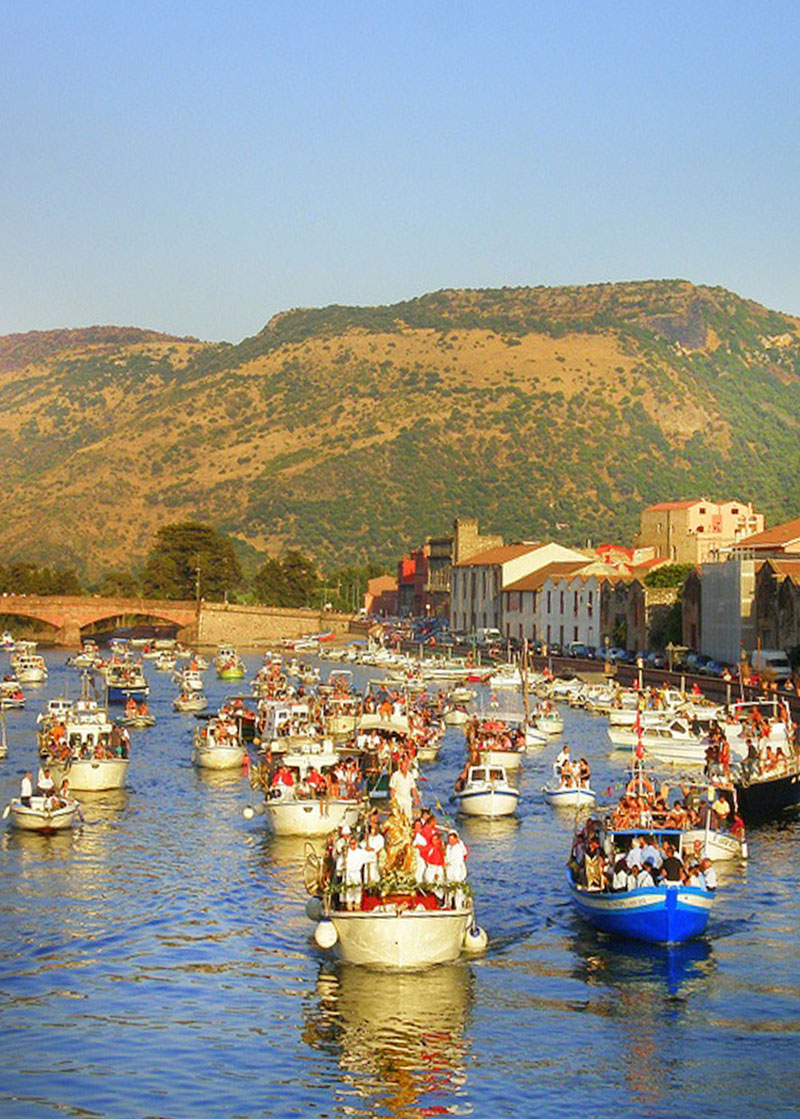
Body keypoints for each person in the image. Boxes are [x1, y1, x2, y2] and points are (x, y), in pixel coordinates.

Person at [388, 755, 418, 820]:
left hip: (407, 799)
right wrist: (393, 800)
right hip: (398, 799)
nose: (403, 768)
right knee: (398, 817)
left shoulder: (410, 776)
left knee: (408, 817)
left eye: (405, 766)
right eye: (402, 766)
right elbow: (392, 789)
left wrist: (415, 798)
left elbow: (413, 788)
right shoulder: (395, 775)